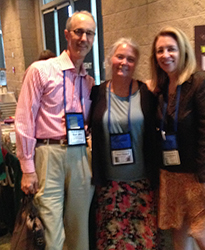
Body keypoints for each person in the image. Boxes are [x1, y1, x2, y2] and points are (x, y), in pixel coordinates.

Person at [15, 10, 96, 250]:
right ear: (66, 34)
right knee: (51, 232)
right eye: (78, 31)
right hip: (49, 155)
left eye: (89, 33)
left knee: (79, 228)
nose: (83, 38)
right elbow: (24, 120)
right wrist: (27, 168)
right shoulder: (40, 71)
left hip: (80, 154)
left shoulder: (88, 82)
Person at [150, 26, 205, 250]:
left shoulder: (201, 82)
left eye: (171, 49)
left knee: (203, 235)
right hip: (170, 176)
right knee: (178, 238)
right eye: (160, 51)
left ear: (182, 51)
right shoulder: (161, 89)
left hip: (194, 176)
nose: (165, 55)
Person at [89, 38, 159, 249]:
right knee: (112, 242)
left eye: (130, 59)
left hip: (142, 184)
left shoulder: (147, 93)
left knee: (144, 242)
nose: (124, 62)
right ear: (110, 59)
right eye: (120, 56)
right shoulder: (97, 93)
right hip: (109, 185)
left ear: (136, 64)